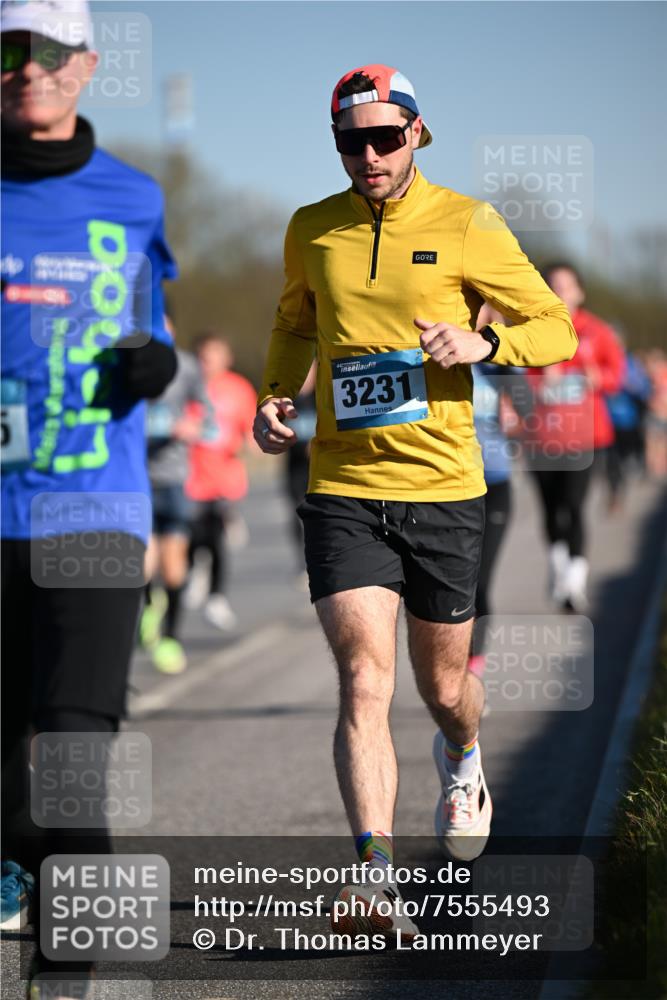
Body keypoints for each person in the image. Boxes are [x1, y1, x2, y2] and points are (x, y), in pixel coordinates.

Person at [253, 63, 577, 939]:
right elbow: (292, 322)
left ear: (416, 135)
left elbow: (556, 326)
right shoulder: (311, 229)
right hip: (345, 488)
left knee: (441, 689)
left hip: (442, 490)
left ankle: (463, 755)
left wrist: (481, 340)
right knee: (363, 678)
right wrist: (276, 396)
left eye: (383, 137)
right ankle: (373, 871)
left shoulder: (467, 222)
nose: (367, 154)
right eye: (349, 140)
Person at [0, 2, 177, 995]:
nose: (29, 70)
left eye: (51, 52)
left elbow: (160, 331)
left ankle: (62, 978)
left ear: (87, 66)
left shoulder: (134, 198)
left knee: (71, 755)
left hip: (92, 515)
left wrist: (153, 360)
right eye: (9, 51)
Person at [524, 263, 625, 610]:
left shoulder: (597, 332)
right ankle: (558, 568)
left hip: (586, 437)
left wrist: (599, 378)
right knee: (551, 510)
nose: (560, 294)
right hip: (542, 438)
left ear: (580, 292)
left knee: (576, 506)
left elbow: (617, 377)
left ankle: (574, 584)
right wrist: (539, 382)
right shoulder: (533, 331)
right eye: (553, 287)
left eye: (566, 287)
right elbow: (517, 379)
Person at [141, 313, 213, 674]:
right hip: (138, 476)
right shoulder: (129, 359)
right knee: (143, 564)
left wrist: (193, 425)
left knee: (174, 568)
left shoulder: (187, 366)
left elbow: (208, 415)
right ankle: (150, 606)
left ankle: (171, 637)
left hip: (174, 478)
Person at [470, 304, 532, 678]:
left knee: (479, 579)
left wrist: (499, 350)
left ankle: (473, 668)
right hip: (446, 486)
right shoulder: (440, 354)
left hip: (494, 481)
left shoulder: (499, 363)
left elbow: (527, 406)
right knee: (448, 583)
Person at [184, 330, 257, 630]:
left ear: (227, 359)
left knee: (213, 535)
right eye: (203, 356)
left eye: (214, 355)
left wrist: (247, 443)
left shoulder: (238, 389)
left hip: (223, 478)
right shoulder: (186, 385)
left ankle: (215, 597)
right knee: (191, 535)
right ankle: (196, 568)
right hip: (189, 475)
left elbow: (251, 431)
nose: (208, 362)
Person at [284, 360, 317, 584]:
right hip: (295, 466)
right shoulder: (287, 399)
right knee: (297, 514)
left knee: (319, 514)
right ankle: (302, 563)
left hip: (319, 466)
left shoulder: (323, 396)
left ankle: (317, 559)